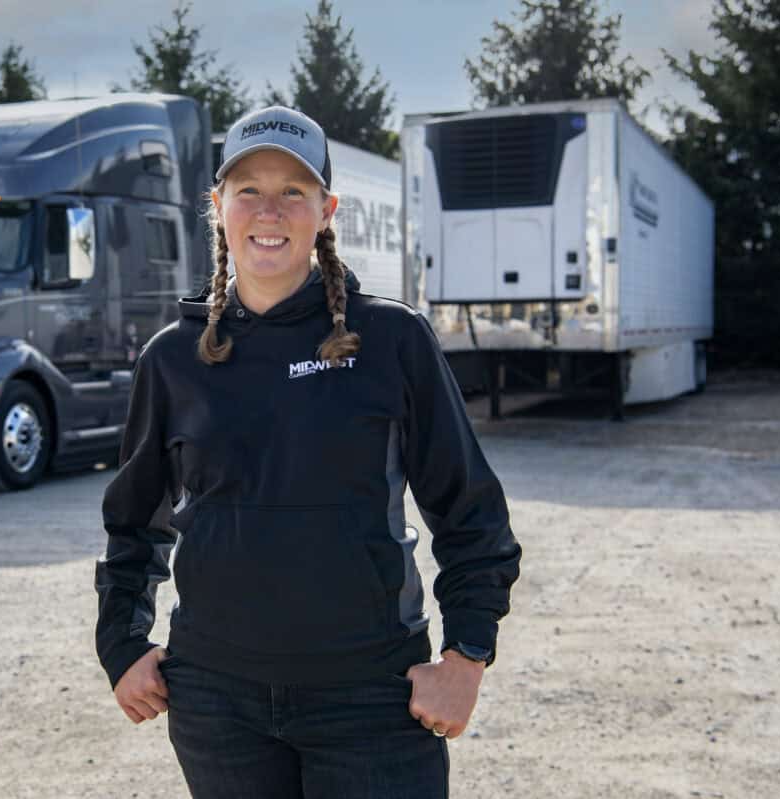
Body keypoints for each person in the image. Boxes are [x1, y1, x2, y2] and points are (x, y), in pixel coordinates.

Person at [95, 105, 521, 798]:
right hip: (217, 703)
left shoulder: (392, 341)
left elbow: (471, 511)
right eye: (249, 190)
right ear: (218, 206)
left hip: (372, 700)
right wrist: (121, 642)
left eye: (293, 190)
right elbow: (134, 522)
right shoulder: (173, 358)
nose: (271, 209)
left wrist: (466, 655)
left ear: (327, 208)